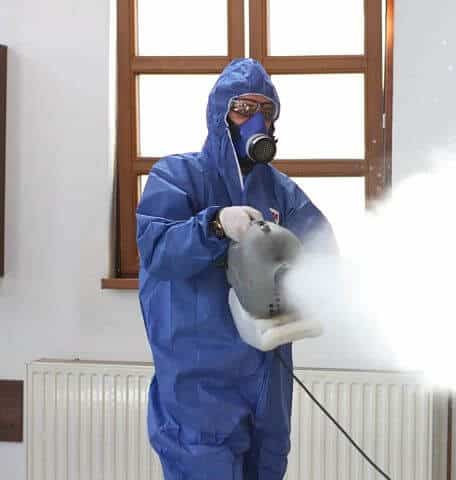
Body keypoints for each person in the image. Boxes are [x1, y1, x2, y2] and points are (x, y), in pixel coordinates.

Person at [136, 58, 335, 479]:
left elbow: (322, 252)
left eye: (265, 110)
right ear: (219, 114)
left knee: (268, 464)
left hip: (267, 380)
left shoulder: (280, 190)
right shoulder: (177, 176)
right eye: (243, 109)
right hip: (200, 384)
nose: (255, 120)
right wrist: (214, 225)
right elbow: (159, 250)